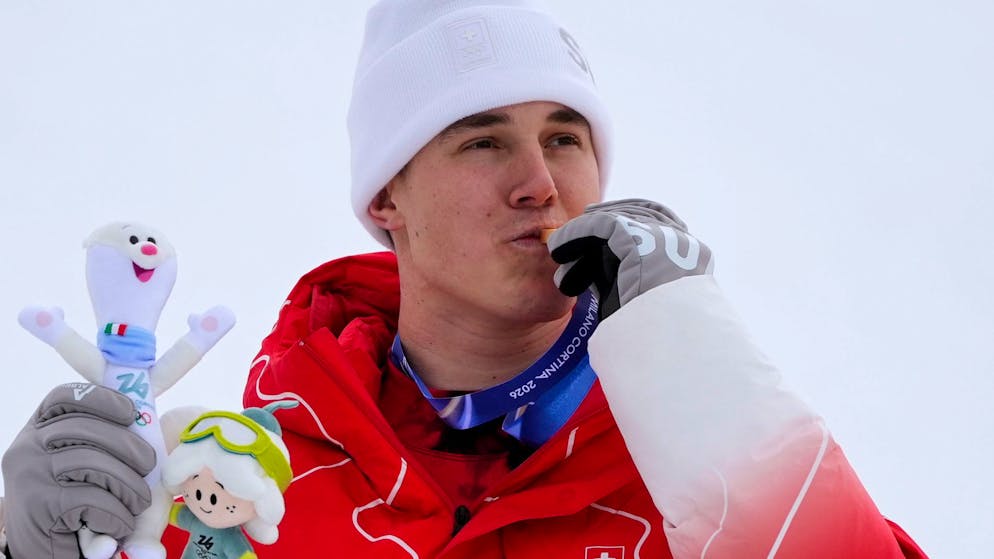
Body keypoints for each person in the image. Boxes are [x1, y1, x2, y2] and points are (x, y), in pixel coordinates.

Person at [1, 1, 927, 557]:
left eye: (565, 136)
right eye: (483, 140)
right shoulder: (245, 484)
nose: (542, 182)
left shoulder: (701, 458)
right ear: (387, 196)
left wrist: (696, 363)